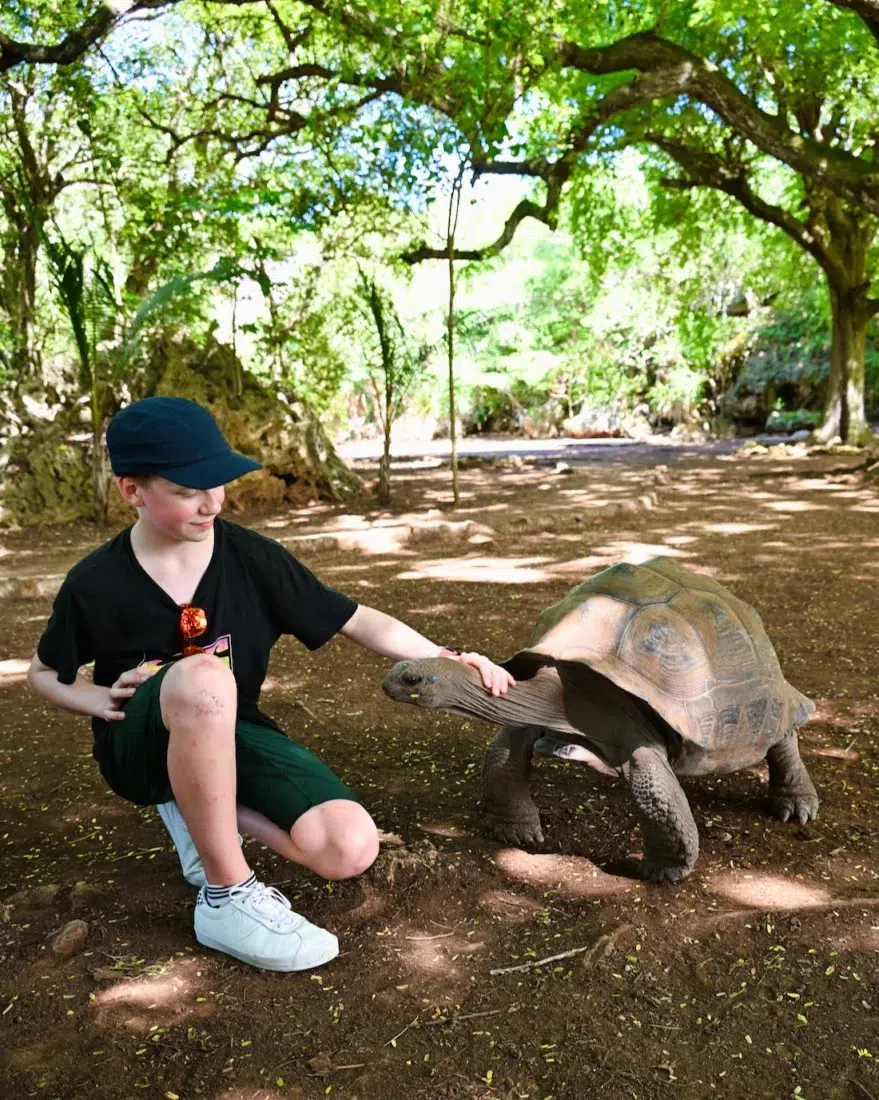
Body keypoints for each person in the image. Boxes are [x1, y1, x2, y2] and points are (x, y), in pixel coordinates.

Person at [28, 396, 514, 973]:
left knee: (348, 847)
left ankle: (198, 811)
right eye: (187, 491)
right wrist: (94, 698)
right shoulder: (95, 582)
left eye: (218, 483)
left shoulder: (252, 558)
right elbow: (43, 673)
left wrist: (448, 656)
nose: (211, 502)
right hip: (137, 750)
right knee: (202, 677)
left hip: (231, 732)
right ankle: (226, 897)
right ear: (131, 489)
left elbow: (356, 620)